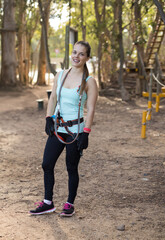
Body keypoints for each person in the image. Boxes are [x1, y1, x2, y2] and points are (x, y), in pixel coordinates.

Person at [30, 41, 98, 217]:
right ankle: (47, 203)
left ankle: (69, 204)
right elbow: (53, 98)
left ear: (87, 58)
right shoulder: (61, 75)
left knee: (71, 166)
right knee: (47, 164)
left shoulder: (89, 81)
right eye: (75, 52)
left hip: (76, 131)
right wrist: (48, 117)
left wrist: (86, 132)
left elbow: (90, 108)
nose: (76, 56)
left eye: (81, 54)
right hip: (57, 127)